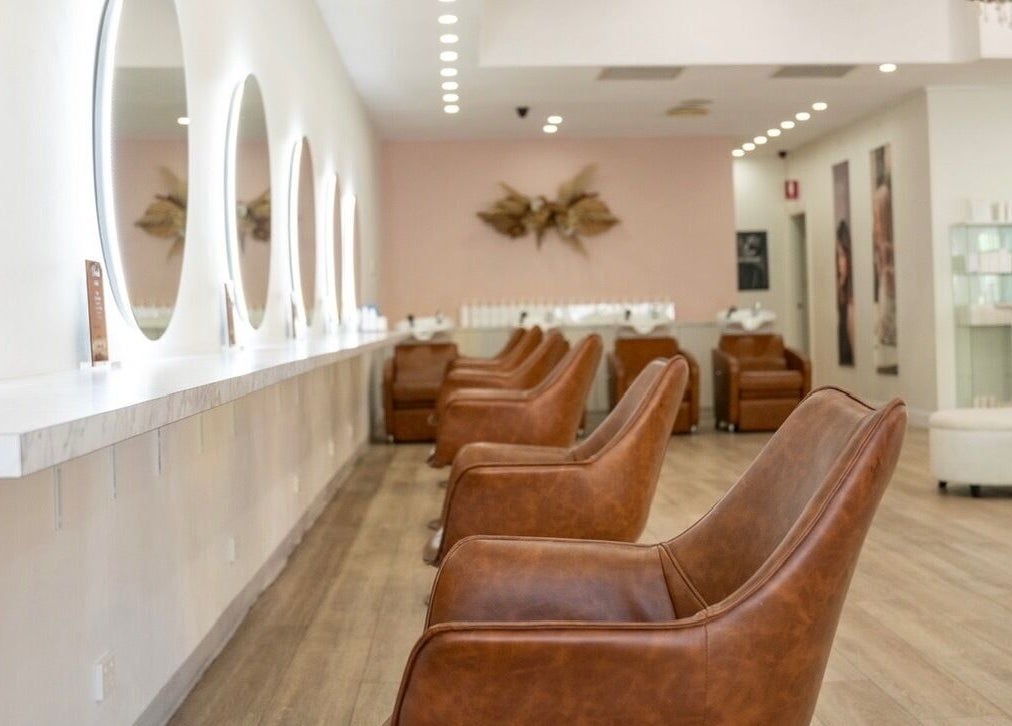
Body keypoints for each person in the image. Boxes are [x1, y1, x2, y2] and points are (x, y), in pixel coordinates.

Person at [835, 220, 855, 366]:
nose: (838, 263)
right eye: (837, 256)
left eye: (841, 255)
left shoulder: (852, 302)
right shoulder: (841, 290)